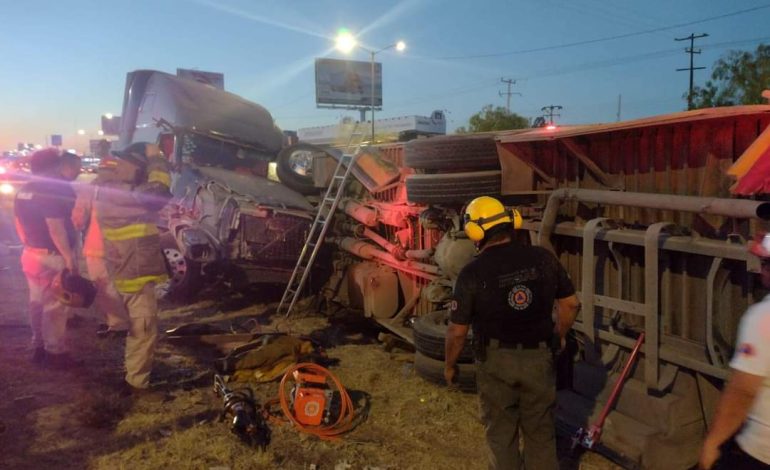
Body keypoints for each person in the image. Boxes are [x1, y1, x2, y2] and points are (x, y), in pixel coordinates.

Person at [445, 196, 581, 470]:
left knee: (501, 433)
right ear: (511, 223)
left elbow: (458, 332)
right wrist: (560, 335)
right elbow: (570, 304)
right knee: (541, 433)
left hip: (495, 362)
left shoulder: (472, 272)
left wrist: (449, 365)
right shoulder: (543, 258)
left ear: (476, 231)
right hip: (539, 358)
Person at [94, 142, 171, 396]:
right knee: (144, 328)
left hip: (125, 268)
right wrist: (157, 159)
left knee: (139, 327)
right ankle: (136, 382)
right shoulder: (124, 194)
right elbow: (159, 191)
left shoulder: (110, 189)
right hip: (133, 273)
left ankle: (134, 374)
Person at [698, 234, 770, 469]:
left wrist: (713, 443)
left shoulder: (763, 318)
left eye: (765, 263)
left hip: (762, 450)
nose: (761, 270)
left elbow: (742, 390)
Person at [14, 148, 79, 366]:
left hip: (31, 252)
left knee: (36, 301)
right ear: (53, 166)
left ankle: (38, 345)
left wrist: (29, 244)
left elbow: (18, 221)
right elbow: (55, 226)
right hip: (52, 255)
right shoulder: (51, 189)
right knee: (55, 305)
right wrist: (69, 258)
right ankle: (55, 353)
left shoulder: (25, 189)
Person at [71, 150, 129, 338]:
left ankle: (117, 324)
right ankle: (119, 320)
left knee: (104, 285)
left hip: (98, 246)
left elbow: (78, 219)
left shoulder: (92, 189)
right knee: (122, 285)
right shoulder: (128, 189)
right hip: (125, 246)